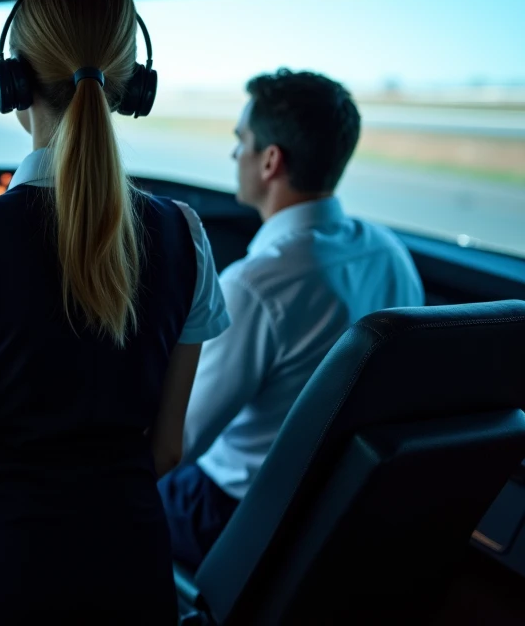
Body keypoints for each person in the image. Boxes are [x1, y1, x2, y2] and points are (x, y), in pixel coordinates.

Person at [0, 0, 231, 623]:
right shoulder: (184, 233)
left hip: (1, 564)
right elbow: (166, 449)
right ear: (134, 86)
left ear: (10, 81)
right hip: (131, 559)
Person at [159, 69, 425, 569]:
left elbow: (176, 444)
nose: (234, 153)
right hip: (335, 511)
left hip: (227, 512)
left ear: (270, 161)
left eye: (242, 140)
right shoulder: (389, 252)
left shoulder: (259, 285)